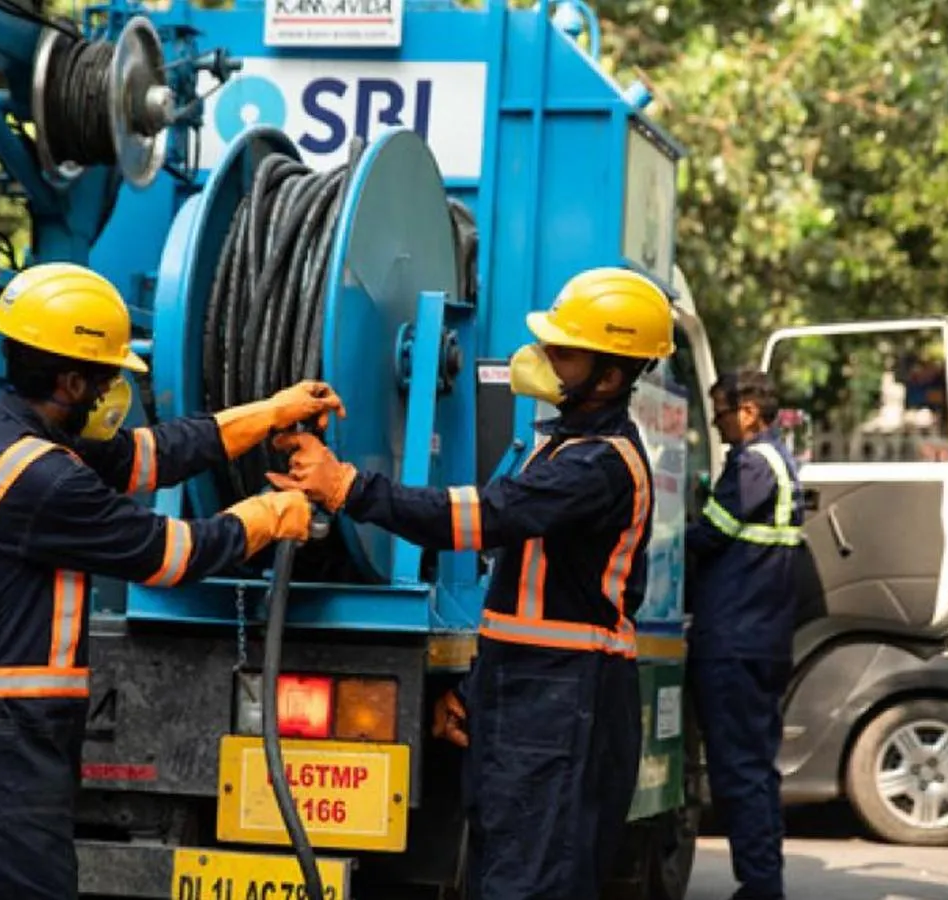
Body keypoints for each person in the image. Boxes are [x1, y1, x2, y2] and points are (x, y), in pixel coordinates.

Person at [0, 262, 340, 899]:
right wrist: (272, 515)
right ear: (72, 380)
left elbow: (147, 454)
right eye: (108, 375)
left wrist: (269, 415)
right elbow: (170, 553)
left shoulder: (4, 431)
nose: (116, 390)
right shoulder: (45, 479)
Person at [267, 266, 675, 900]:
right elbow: (525, 604)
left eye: (562, 352)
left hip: (566, 704)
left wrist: (349, 488)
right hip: (535, 695)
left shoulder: (598, 466)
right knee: (500, 869)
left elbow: (480, 520)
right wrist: (479, 689)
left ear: (613, 375)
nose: (543, 359)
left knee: (531, 882)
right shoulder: (564, 448)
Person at [686, 368, 804, 900]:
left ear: (750, 411)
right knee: (753, 767)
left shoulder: (755, 464)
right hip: (757, 636)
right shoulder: (775, 462)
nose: (716, 421)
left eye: (722, 410)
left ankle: (760, 887)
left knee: (741, 770)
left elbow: (709, 534)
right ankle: (761, 883)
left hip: (737, 639)